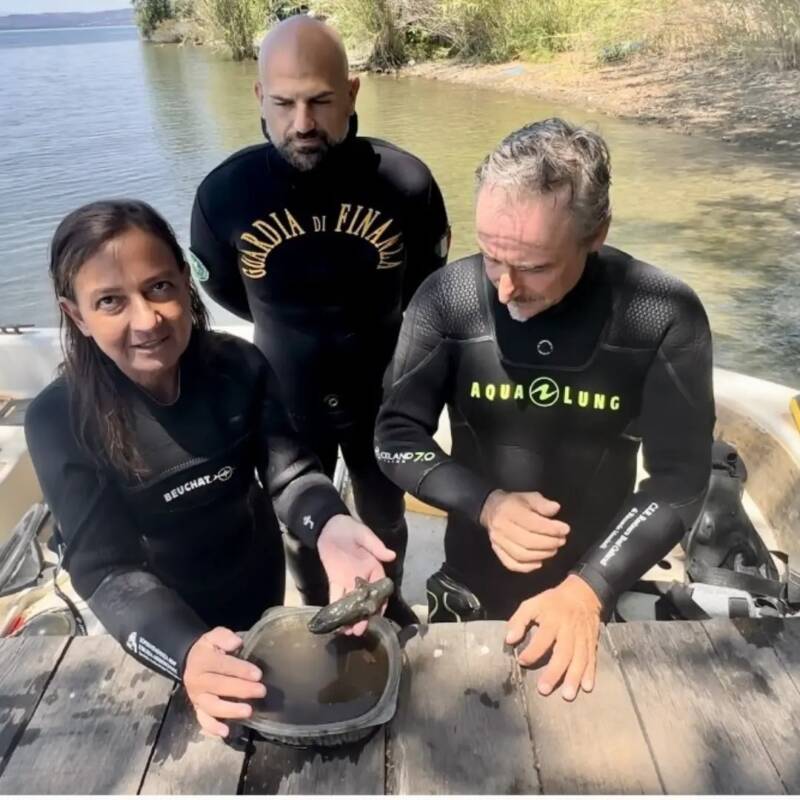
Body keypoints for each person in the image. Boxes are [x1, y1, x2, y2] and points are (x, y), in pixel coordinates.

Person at [25, 199, 396, 738]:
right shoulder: (59, 419)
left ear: (184, 280)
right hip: (158, 622)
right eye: (111, 302)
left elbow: (290, 475)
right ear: (76, 315)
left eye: (159, 287)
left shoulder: (237, 365)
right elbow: (107, 571)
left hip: (256, 581)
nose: (147, 320)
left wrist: (331, 525)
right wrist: (186, 653)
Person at [375, 118, 714, 700]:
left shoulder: (661, 313)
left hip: (595, 579)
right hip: (471, 579)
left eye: (533, 267)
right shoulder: (449, 298)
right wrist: (486, 505)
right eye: (490, 257)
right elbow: (394, 434)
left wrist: (590, 589)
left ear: (596, 233)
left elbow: (681, 476)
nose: (506, 290)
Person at [189, 15, 450, 625]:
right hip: (285, 392)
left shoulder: (405, 182)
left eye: (320, 101)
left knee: (385, 515)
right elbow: (222, 287)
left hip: (382, 388)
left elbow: (426, 285)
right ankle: (313, 610)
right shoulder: (226, 195)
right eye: (283, 103)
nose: (302, 123)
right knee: (299, 522)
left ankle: (387, 606)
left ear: (353, 93)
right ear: (258, 97)